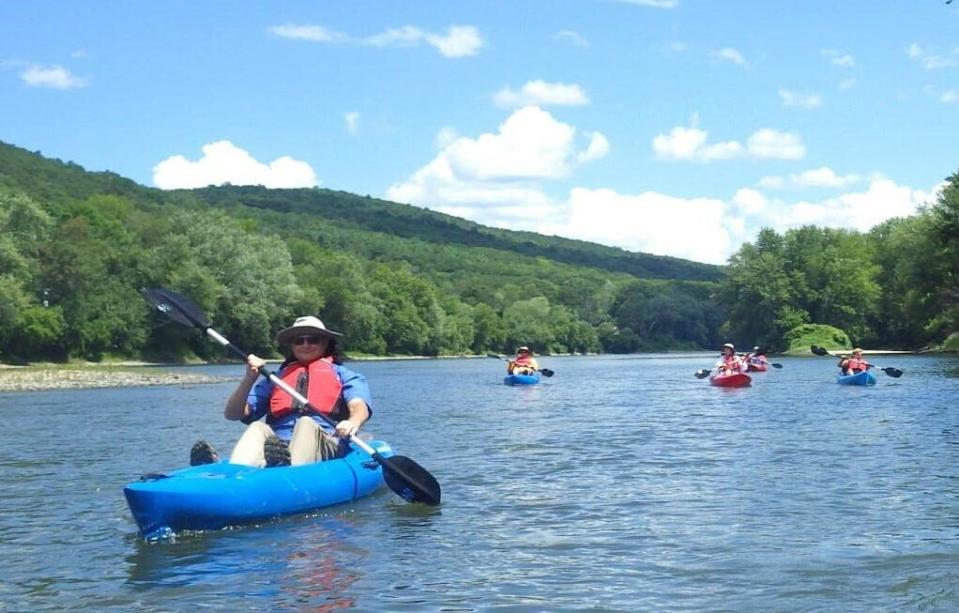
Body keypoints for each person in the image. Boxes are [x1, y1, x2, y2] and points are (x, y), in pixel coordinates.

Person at [189, 315, 372, 468]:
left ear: (326, 343)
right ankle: (234, 470)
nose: (305, 345)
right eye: (299, 340)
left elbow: (358, 405)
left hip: (327, 442)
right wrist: (249, 379)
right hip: (278, 445)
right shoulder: (276, 378)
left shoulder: (345, 375)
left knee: (306, 423)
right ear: (292, 346)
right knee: (257, 427)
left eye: (313, 340)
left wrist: (352, 422)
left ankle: (285, 468)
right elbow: (233, 414)